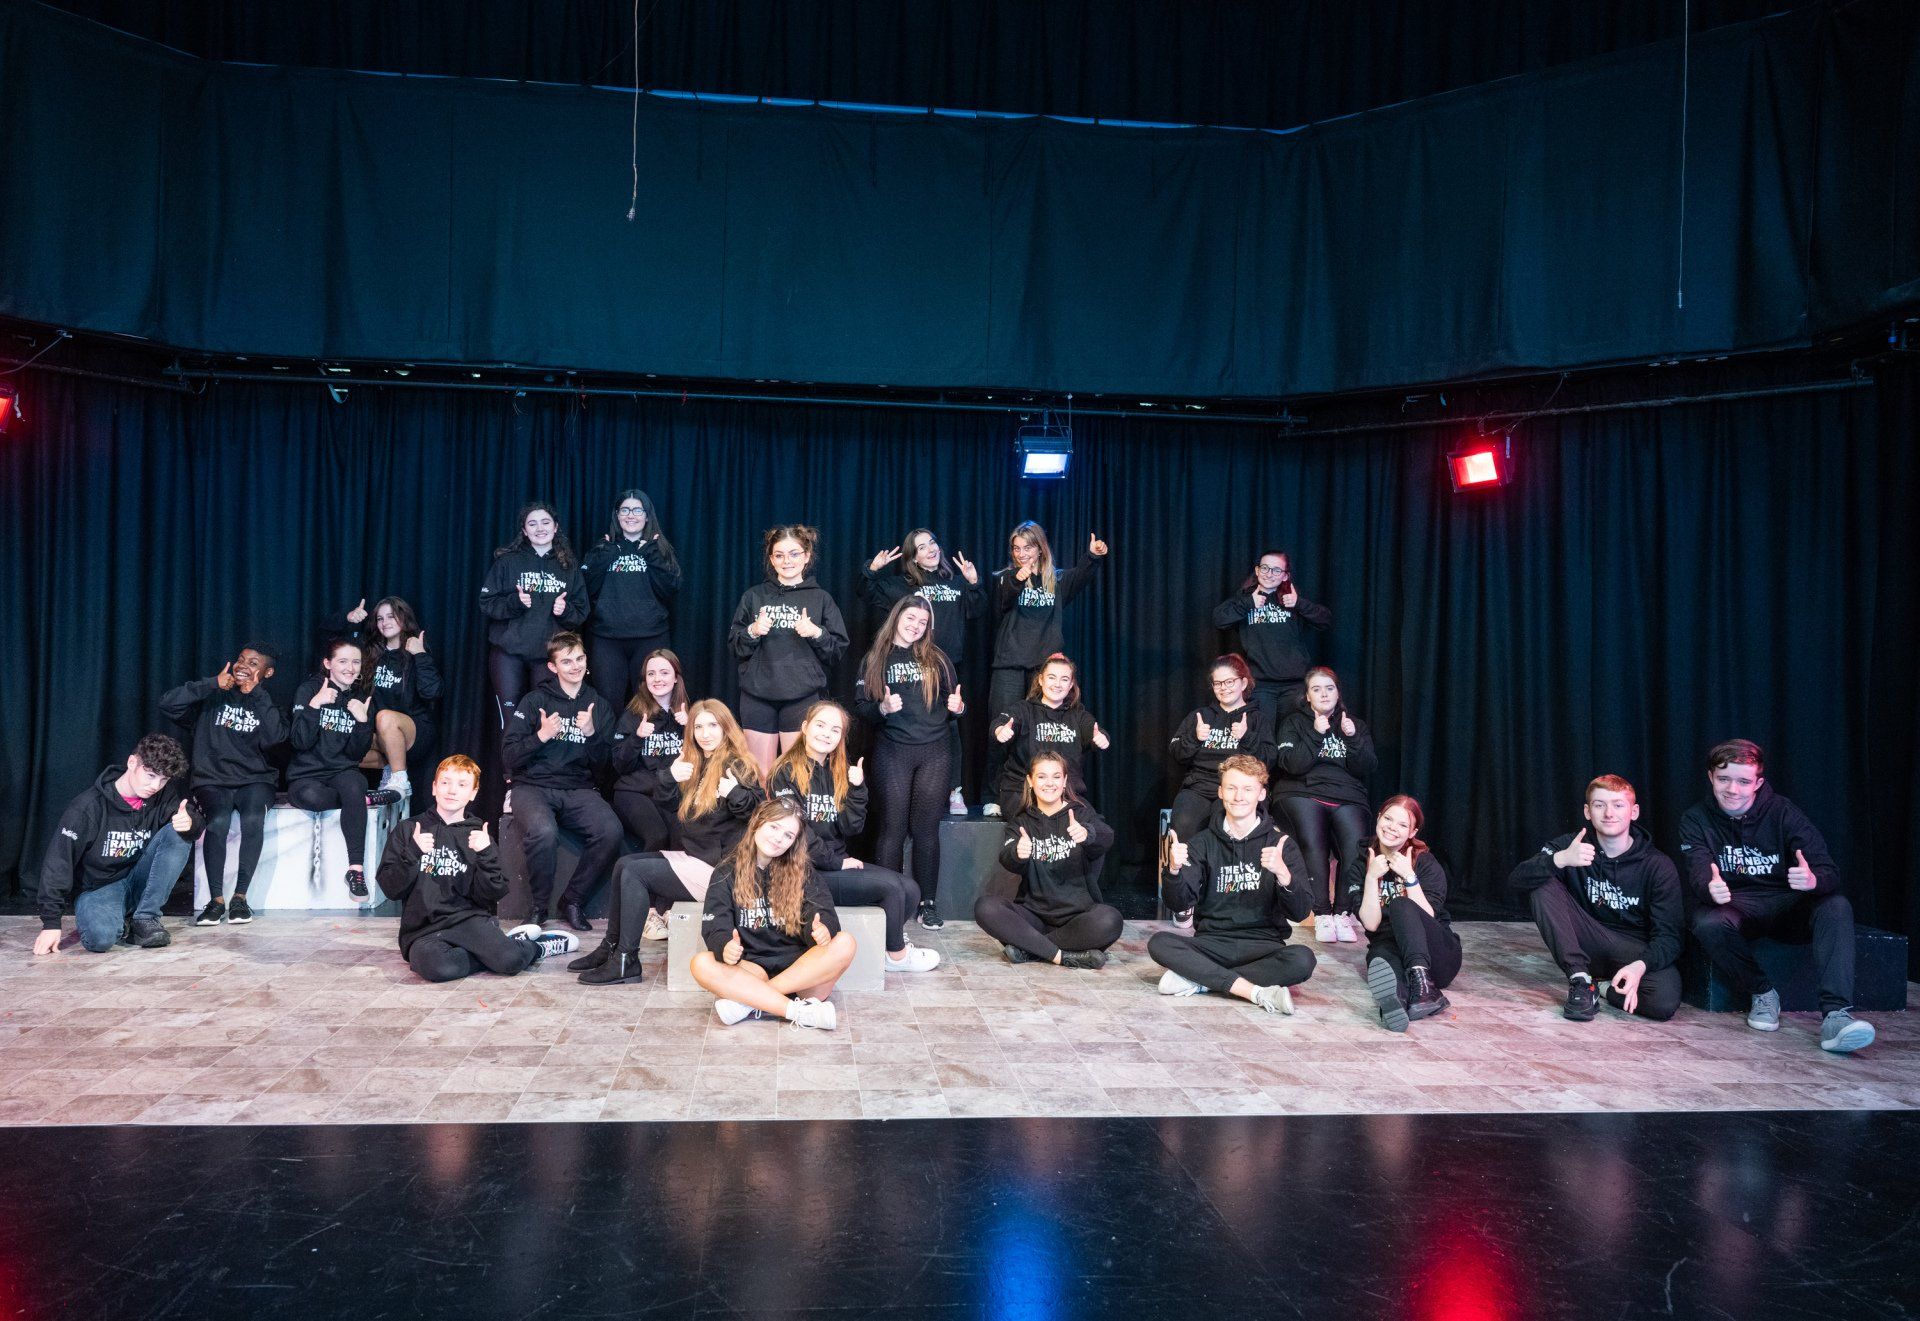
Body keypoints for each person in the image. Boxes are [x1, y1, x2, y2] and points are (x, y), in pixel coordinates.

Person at [1680, 739, 1874, 1053]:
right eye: (1724, 779)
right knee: (1707, 921)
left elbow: (1828, 871)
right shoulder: (1696, 819)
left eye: (1743, 781)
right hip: (1738, 906)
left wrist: (1813, 880)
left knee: (1836, 905)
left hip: (1788, 905)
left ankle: (1836, 1016)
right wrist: (1708, 887)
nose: (1733, 789)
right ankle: (1763, 993)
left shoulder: (1783, 812)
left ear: (1758, 783)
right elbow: (1699, 870)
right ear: (1711, 777)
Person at [572, 699, 762, 981]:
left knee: (636, 873)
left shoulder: (737, 765)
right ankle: (609, 948)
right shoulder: (698, 763)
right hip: (696, 857)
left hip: (720, 870)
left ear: (726, 729)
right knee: (623, 865)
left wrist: (735, 794)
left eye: (713, 726)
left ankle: (626, 959)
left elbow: (757, 811)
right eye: (699, 727)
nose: (705, 734)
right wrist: (669, 777)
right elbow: (671, 806)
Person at [375, 755, 577, 982]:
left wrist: (485, 854)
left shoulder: (478, 834)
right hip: (423, 930)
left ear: (473, 793)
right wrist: (413, 851)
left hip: (468, 921)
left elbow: (494, 892)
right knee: (439, 969)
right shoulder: (410, 829)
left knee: (510, 960)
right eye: (445, 782)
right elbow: (390, 888)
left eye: (462, 785)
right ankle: (500, 948)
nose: (452, 790)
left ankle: (535, 947)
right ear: (434, 787)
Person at [771, 700, 939, 972]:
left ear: (841, 738)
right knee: (891, 888)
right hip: (804, 869)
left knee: (910, 889)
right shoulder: (785, 772)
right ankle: (896, 956)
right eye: (820, 725)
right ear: (805, 727)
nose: (826, 734)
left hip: (833, 862)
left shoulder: (838, 771)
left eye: (835, 730)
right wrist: (837, 863)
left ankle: (885, 944)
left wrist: (858, 788)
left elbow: (852, 828)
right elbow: (797, 833)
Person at [1508, 775, 1685, 1022]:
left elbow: (1670, 936)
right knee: (1542, 880)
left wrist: (1640, 966)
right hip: (1585, 941)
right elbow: (1517, 880)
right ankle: (1580, 980)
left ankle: (1602, 987)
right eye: (1599, 805)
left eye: (1618, 805)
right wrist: (1560, 860)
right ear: (1587, 811)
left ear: (1634, 812)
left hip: (1631, 949)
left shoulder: (1658, 865)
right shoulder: (1572, 845)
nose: (1609, 813)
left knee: (1662, 1002)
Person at [1149, 756, 1314, 1014]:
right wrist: (1173, 870)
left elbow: (1300, 912)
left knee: (1303, 959)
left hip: (1263, 946)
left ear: (1261, 794)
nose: (1238, 797)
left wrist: (1284, 875)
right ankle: (1254, 992)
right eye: (1231, 788)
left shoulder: (1282, 845)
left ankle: (1202, 981)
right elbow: (1179, 903)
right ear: (1220, 792)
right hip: (1212, 943)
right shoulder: (1201, 843)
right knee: (1159, 943)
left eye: (1247, 789)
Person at [687, 798, 854, 1030]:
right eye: (774, 827)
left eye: (788, 835)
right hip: (752, 971)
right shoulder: (726, 871)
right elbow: (715, 922)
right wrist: (725, 945)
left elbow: (821, 911)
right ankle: (799, 1012)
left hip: (802, 974)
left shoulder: (803, 871)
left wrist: (822, 929)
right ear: (757, 823)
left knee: (845, 942)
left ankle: (751, 1003)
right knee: (701, 963)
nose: (778, 838)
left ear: (794, 842)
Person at [33, 734, 202, 954]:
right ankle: (123, 921)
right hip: (100, 890)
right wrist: (51, 923)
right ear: (132, 763)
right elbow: (58, 862)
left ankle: (145, 918)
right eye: (150, 775)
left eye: (163, 780)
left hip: (140, 881)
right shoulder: (88, 807)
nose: (155, 786)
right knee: (99, 939)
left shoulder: (163, 797)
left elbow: (191, 818)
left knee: (178, 832)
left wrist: (190, 822)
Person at [855, 596, 964, 930]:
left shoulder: (938, 658)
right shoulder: (876, 657)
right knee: (893, 827)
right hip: (893, 752)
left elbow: (954, 703)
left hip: (935, 751)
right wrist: (882, 709)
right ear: (897, 616)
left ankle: (927, 903)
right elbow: (862, 707)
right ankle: (891, 901)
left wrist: (959, 708)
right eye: (911, 618)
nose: (916, 626)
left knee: (926, 829)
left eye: (923, 622)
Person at [501, 632, 622, 932]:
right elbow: (509, 755)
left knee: (611, 831)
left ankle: (573, 900)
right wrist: (541, 736)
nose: (575, 666)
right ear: (552, 667)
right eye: (566, 661)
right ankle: (539, 907)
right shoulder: (535, 701)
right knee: (543, 832)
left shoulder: (598, 705)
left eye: (579, 659)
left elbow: (606, 767)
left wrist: (591, 734)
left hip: (578, 788)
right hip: (532, 786)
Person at [159, 643, 286, 927]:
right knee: (218, 821)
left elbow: (275, 738)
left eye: (253, 663)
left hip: (255, 779)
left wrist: (257, 694)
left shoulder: (267, 702)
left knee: (253, 818)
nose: (243, 666)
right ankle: (216, 901)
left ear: (267, 673)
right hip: (213, 780)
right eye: (241, 659)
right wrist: (211, 684)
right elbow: (168, 703)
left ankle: (240, 898)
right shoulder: (213, 696)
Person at [859, 527, 984, 813]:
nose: (930, 549)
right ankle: (905, 788)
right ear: (913, 558)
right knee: (909, 723)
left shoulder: (955, 582)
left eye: (932, 543)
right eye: (922, 547)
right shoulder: (903, 585)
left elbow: (977, 610)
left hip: (946, 665)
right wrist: (872, 569)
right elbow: (866, 592)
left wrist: (973, 583)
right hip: (910, 664)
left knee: (950, 726)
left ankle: (955, 791)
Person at [985, 522, 1108, 799]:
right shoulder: (1004, 578)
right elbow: (1002, 600)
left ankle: (1041, 794)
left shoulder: (1057, 580)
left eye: (1027, 547)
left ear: (1040, 548)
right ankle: (993, 796)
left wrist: (1093, 556)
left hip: (1043, 669)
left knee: (1040, 733)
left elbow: (1081, 575)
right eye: (1016, 548)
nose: (1021, 554)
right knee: (1001, 729)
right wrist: (1018, 579)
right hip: (1009, 666)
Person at [975, 751, 1121, 968]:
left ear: (1064, 781)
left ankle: (1031, 950)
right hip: (1033, 918)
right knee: (986, 907)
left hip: (1078, 918)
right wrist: (1017, 852)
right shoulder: (1021, 821)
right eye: (1042, 776)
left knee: (1110, 919)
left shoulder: (1080, 813)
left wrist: (1087, 833)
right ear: (1030, 781)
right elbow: (1006, 857)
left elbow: (1106, 835)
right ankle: (1063, 956)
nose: (1049, 783)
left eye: (1056, 776)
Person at [727, 524, 849, 774]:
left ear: (806, 556)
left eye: (794, 554)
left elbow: (837, 651)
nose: (787, 561)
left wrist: (816, 633)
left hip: (801, 696)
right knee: (760, 775)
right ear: (772, 560)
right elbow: (735, 647)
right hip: (757, 696)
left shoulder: (821, 598)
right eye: (779, 555)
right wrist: (753, 631)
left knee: (798, 776)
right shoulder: (753, 596)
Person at [1272, 667, 1375, 944]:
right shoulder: (1294, 722)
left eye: (1329, 688)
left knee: (1355, 844)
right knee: (1312, 839)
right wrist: (1316, 735)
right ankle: (1321, 913)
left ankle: (1343, 912)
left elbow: (1366, 767)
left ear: (1338, 693)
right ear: (1307, 696)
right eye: (1316, 689)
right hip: (1301, 791)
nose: (1324, 694)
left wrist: (1353, 739)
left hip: (1347, 795)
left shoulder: (1352, 724)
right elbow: (1292, 765)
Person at [1355, 795, 1459, 1033]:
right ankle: (1397, 1004)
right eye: (1388, 819)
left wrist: (1410, 878)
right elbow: (1371, 924)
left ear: (1412, 832)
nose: (1392, 827)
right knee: (1380, 958)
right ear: (1378, 818)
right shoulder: (1362, 862)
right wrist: (1371, 877)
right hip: (1390, 945)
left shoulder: (1426, 863)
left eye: (1402, 825)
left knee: (1401, 905)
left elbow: (1428, 916)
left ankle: (1425, 986)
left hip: (1438, 956)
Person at [478, 501, 588, 725]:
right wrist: (514, 602)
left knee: (546, 720)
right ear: (524, 530)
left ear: (555, 527)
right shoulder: (507, 562)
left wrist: (565, 610)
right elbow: (487, 603)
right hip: (509, 654)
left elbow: (582, 610)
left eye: (545, 522)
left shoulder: (568, 566)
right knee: (511, 721)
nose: (540, 528)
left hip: (549, 656)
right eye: (532, 523)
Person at [287, 638, 377, 899]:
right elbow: (299, 741)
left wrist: (362, 722)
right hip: (306, 774)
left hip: (342, 771)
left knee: (354, 784)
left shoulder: (361, 698)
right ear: (328, 664)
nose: (350, 668)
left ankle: (355, 870)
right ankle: (361, 800)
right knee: (316, 798)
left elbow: (355, 754)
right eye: (343, 661)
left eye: (356, 662)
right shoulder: (309, 690)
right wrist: (315, 705)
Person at [330, 596, 441, 798]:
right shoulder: (370, 650)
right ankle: (392, 768)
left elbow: (432, 692)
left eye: (391, 616)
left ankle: (400, 780)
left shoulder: (416, 649)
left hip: (414, 731)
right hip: (380, 734)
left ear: (404, 618)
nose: (385, 622)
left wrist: (420, 655)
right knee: (340, 745)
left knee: (385, 716)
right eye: (380, 618)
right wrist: (348, 620)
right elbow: (330, 642)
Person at [582, 489, 682, 708]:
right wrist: (608, 554)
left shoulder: (659, 550)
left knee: (650, 705)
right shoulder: (602, 548)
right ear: (617, 515)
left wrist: (650, 553)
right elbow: (586, 588)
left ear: (647, 516)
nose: (631, 515)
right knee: (608, 705)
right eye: (625, 510)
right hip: (607, 640)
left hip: (650, 638)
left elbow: (670, 590)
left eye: (637, 510)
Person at [1211, 550, 1331, 725]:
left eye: (1276, 570)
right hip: (1260, 686)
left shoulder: (1291, 598)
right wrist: (1248, 604)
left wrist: (1299, 604)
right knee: (1261, 735)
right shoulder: (1245, 598)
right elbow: (1219, 620)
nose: (1269, 574)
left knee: (1290, 736)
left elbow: (1325, 620)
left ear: (1285, 575)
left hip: (1294, 686)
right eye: (1265, 568)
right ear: (1257, 570)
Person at [1167, 654, 1275, 841]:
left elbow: (1269, 760)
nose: (1223, 688)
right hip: (1199, 787)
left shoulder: (1257, 719)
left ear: (1243, 683)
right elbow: (1176, 754)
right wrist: (1194, 738)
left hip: (1238, 789)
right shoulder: (1200, 716)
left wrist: (1246, 737)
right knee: (1184, 823)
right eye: (1218, 683)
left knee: (1226, 825)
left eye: (1229, 682)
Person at [989, 653, 1108, 818]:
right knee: (1043, 824)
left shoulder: (1078, 715)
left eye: (1064, 679)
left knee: (1097, 829)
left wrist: (1100, 737)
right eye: (1052, 677)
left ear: (1071, 684)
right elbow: (1001, 723)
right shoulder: (1024, 709)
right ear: (1040, 680)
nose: (1057, 684)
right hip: (1023, 794)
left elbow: (1094, 730)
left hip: (1065, 794)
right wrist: (1000, 730)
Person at [609, 649, 688, 851]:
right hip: (634, 792)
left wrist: (689, 729)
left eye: (664, 672)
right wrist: (637, 737)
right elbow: (620, 765)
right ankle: (635, 872)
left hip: (669, 792)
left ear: (676, 678)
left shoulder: (687, 715)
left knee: (682, 837)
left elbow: (702, 760)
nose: (657, 679)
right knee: (657, 836)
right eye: (651, 674)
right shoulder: (633, 714)